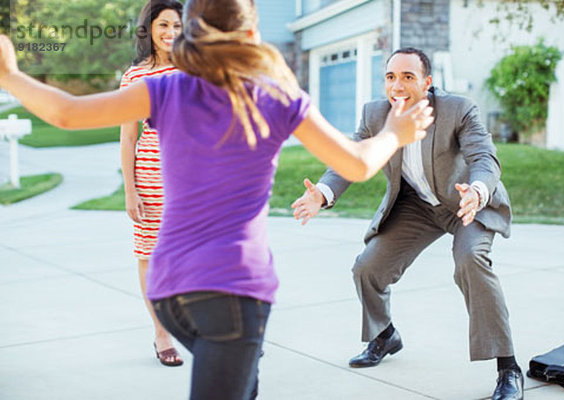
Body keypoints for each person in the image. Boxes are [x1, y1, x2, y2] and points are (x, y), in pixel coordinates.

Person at [0, 1, 433, 397]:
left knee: (244, 386)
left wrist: (11, 76)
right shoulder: (276, 97)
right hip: (230, 293)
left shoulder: (165, 90)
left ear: (190, 32)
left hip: (169, 291)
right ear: (251, 35)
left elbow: (67, 113)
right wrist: (395, 132)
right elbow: (357, 164)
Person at [292, 47, 523, 400]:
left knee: (470, 261)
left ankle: (508, 367)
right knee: (366, 268)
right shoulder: (375, 114)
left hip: (465, 203)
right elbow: (349, 159)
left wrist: (477, 191)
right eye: (390, 77)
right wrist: (321, 194)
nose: (397, 85)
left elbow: (485, 158)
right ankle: (384, 335)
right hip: (416, 205)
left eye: (408, 77)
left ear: (428, 82)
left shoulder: (458, 110)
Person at [119, 0, 183, 367]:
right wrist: (130, 189)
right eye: (163, 25)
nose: (170, 33)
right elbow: (128, 138)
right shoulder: (135, 77)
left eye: (176, 25)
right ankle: (162, 333)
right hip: (151, 179)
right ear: (149, 29)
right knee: (150, 258)